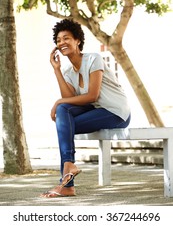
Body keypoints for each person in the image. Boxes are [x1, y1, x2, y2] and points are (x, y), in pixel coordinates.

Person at [41, 19, 131, 198]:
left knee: (62, 115)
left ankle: (66, 181)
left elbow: (92, 96)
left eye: (66, 38)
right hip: (95, 110)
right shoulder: (68, 71)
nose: (61, 43)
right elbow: (69, 101)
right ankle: (69, 171)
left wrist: (58, 102)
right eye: (58, 40)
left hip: (115, 111)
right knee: (62, 113)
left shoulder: (93, 59)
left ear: (78, 41)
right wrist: (56, 70)